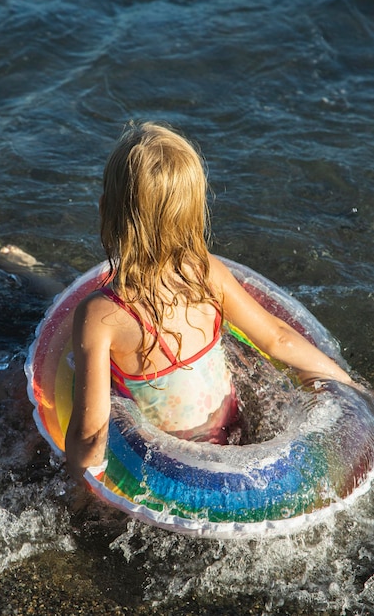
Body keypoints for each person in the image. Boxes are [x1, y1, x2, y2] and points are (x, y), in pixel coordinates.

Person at [65, 121, 354, 482]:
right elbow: (277, 339)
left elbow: (91, 432)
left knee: (15, 387)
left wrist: (80, 491)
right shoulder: (206, 273)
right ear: (193, 211)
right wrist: (354, 388)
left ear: (106, 209)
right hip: (235, 428)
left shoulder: (100, 314)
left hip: (171, 466)